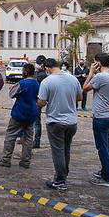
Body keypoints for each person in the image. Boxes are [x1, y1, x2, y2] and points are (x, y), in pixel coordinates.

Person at [37, 58, 82, 191]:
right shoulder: (72, 79)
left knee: (58, 152)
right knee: (66, 150)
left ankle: (60, 180)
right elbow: (79, 97)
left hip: (55, 120)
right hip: (71, 121)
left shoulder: (47, 81)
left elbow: (41, 102)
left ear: (46, 68)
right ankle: (63, 176)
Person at [83, 52, 109, 187]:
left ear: (98, 63)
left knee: (102, 147)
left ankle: (107, 177)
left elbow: (85, 88)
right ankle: (107, 170)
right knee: (108, 146)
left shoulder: (100, 77)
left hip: (101, 116)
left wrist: (90, 73)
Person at [0, 63, 40, 169]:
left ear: (26, 72)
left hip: (20, 112)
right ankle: (26, 160)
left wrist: (15, 90)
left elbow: (11, 94)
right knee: (28, 138)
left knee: (10, 135)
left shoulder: (22, 83)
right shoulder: (36, 83)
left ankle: (6, 159)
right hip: (31, 113)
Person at [32, 55, 48, 148]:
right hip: (38, 98)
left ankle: (36, 141)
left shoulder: (41, 75)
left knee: (36, 122)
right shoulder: (41, 73)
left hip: (38, 99)